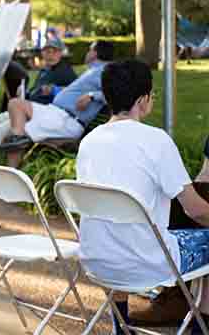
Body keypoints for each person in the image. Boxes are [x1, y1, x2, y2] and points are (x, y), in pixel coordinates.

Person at [76, 60, 209, 335]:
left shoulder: (89, 141)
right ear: (143, 99)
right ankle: (199, 328)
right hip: (149, 263)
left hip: (97, 259)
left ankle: (120, 328)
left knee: (116, 234)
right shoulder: (156, 140)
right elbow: (195, 210)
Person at [0, 40, 115, 167]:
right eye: (47, 50)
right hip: (55, 115)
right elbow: (73, 92)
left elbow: (114, 93)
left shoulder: (102, 71)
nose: (87, 52)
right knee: (8, 130)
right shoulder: (92, 71)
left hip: (65, 119)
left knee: (15, 106)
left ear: (94, 53)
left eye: (89, 49)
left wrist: (92, 96)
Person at [0, 37, 78, 154]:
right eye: (47, 51)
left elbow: (73, 94)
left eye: (54, 51)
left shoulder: (65, 72)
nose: (50, 55)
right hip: (24, 107)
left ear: (60, 53)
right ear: (42, 53)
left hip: (39, 115)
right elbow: (37, 91)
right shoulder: (46, 70)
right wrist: (26, 92)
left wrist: (55, 90)